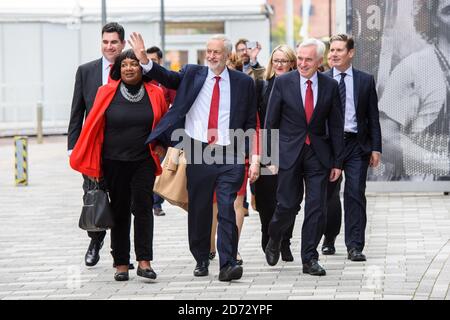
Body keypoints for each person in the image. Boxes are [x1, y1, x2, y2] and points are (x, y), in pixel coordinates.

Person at [128, 32, 258, 282]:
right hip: (198, 149)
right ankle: (201, 257)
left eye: (216, 52)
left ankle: (228, 263)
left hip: (229, 151)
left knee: (228, 206)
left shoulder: (243, 82)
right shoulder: (192, 74)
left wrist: (250, 154)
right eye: (208, 51)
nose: (210, 56)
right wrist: (144, 58)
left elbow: (250, 120)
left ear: (227, 54)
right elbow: (165, 77)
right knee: (199, 208)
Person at [69, 49, 168, 281]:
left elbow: (164, 122)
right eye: (124, 65)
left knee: (143, 210)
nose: (129, 68)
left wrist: (162, 145)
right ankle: (121, 263)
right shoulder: (106, 92)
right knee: (120, 212)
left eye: (134, 64)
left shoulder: (154, 93)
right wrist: (92, 165)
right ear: (118, 68)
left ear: (141, 68)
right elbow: (93, 128)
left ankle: (145, 262)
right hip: (113, 162)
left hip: (143, 160)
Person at [264, 38, 344, 276]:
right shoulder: (283, 83)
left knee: (316, 208)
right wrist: (270, 156)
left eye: (308, 59)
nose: (302, 63)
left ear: (319, 61)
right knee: (287, 205)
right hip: (288, 153)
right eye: (299, 58)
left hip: (318, 154)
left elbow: (337, 126)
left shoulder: (329, 85)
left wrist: (337, 162)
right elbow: (271, 122)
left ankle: (310, 258)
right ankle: (274, 237)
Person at [67, 22, 128, 268]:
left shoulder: (129, 68)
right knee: (93, 195)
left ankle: (120, 253)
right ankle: (95, 240)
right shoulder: (86, 71)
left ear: (122, 44)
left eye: (114, 42)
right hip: (93, 146)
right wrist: (73, 146)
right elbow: (76, 111)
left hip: (123, 147)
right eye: (105, 42)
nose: (109, 46)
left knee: (122, 200)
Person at [321, 34, 382, 261]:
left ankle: (355, 245)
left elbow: (372, 117)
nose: (333, 54)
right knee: (328, 195)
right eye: (331, 50)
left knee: (355, 194)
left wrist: (376, 148)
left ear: (351, 53)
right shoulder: (322, 79)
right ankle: (328, 238)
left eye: (338, 50)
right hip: (329, 146)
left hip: (356, 145)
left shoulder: (365, 80)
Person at [379, 0, 450, 181]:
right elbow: (387, 139)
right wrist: (443, 165)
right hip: (429, 187)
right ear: (433, 19)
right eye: (448, 11)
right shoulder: (414, 68)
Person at [253, 44, 298, 261]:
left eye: (284, 60)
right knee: (266, 199)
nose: (280, 64)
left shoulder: (297, 85)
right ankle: (268, 237)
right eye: (277, 60)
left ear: (292, 63)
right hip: (266, 146)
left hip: (291, 147)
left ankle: (284, 240)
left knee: (290, 200)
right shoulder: (261, 86)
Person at [146, 46, 177, 217]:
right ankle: (146, 200)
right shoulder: (141, 78)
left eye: (154, 61)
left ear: (160, 61)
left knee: (158, 167)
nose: (150, 63)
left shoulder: (165, 80)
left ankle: (156, 204)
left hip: (161, 132)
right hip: (144, 131)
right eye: (147, 59)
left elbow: (175, 104)